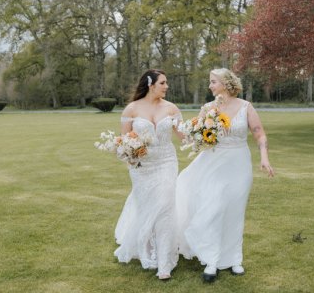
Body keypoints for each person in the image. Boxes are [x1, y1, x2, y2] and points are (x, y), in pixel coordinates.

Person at [176, 68, 275, 283]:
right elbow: (197, 135)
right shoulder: (208, 108)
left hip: (239, 164)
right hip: (213, 164)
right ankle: (212, 260)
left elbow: (259, 133)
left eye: (213, 81)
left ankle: (234, 259)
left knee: (234, 211)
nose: (210, 86)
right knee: (214, 209)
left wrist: (264, 158)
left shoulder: (246, 107)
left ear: (225, 83)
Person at [113, 69, 183, 280]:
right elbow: (123, 141)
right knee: (147, 208)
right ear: (151, 84)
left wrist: (206, 134)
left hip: (167, 162)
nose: (167, 86)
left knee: (165, 206)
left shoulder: (171, 108)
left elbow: (183, 135)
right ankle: (147, 249)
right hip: (142, 167)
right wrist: (131, 156)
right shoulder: (132, 109)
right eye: (163, 82)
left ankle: (164, 263)